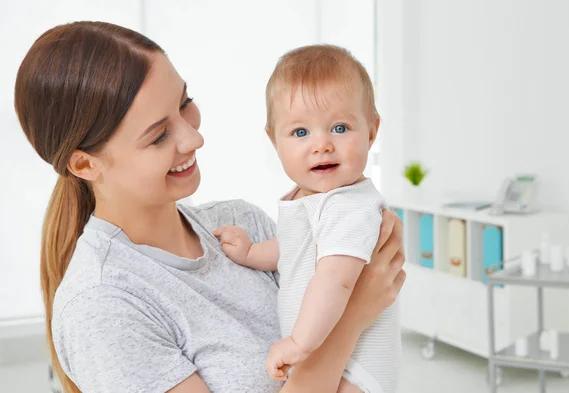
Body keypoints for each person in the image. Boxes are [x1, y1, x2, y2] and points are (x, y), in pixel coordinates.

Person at [14, 21, 405, 393]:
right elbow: (346, 306)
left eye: (184, 103)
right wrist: (353, 316)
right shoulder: (103, 309)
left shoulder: (239, 224)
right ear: (85, 164)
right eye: (159, 135)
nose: (193, 138)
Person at [213, 45, 400, 393]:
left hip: (357, 369)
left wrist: (300, 343)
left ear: (372, 130)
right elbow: (293, 249)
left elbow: (337, 280)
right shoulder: (313, 199)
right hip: (336, 356)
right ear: (274, 140)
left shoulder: (349, 206)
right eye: (301, 133)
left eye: (340, 128)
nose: (322, 145)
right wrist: (252, 253)